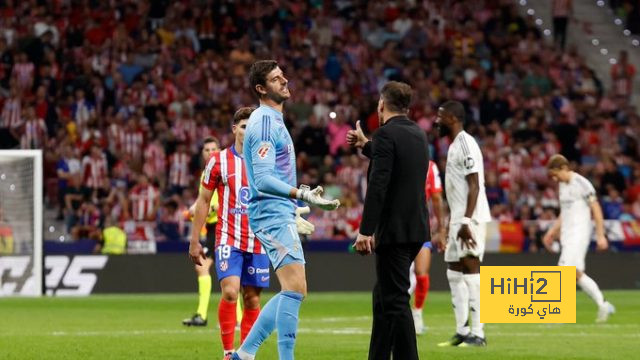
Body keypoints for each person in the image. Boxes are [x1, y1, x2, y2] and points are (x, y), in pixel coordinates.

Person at [193, 60, 337, 360]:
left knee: (294, 289)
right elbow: (262, 178)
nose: (284, 80)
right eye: (275, 78)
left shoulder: (272, 119)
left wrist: (290, 209)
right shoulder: (266, 121)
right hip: (269, 214)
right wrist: (301, 194)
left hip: (275, 212)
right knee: (294, 289)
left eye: (283, 74)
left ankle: (243, 355)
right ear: (261, 88)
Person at [348, 81, 429, 360]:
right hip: (416, 228)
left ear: (382, 105)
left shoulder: (385, 135)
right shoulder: (418, 134)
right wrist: (366, 145)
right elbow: (399, 162)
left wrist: (365, 231)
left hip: (394, 231)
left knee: (394, 301)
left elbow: (379, 185)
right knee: (383, 296)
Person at [433, 100, 491, 347]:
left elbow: (475, 185)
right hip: (458, 218)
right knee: (454, 273)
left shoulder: (466, 143)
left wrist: (466, 221)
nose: (437, 121)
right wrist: (447, 226)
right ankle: (463, 331)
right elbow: (454, 191)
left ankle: (479, 333)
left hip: (471, 218)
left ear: (453, 119)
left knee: (471, 271)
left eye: (441, 116)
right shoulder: (453, 146)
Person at [543, 154, 615, 322]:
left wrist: (600, 235)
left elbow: (596, 209)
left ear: (563, 168)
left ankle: (557, 313)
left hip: (579, 233)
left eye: (555, 174)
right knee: (576, 274)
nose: (554, 179)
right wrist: (552, 231)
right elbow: (564, 212)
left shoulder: (582, 183)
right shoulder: (562, 186)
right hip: (568, 235)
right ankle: (604, 305)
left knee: (563, 269)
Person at [182, 137, 220, 327]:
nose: (211, 152)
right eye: (207, 149)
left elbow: (219, 203)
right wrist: (192, 209)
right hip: (214, 229)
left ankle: (202, 315)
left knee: (205, 268)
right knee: (224, 273)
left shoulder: (223, 169)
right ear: (202, 154)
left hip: (223, 226)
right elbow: (203, 200)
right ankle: (203, 315)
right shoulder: (206, 173)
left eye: (214, 148)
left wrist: (207, 210)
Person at [409, 160, 446, 335]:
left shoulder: (429, 166)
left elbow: (437, 198)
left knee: (419, 273)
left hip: (415, 226)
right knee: (417, 274)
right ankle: (412, 313)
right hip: (410, 226)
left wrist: (441, 228)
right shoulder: (428, 166)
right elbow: (437, 198)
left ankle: (416, 313)